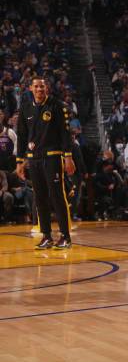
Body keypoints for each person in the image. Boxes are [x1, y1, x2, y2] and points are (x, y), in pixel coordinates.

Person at [16, 76, 76, 249]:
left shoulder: (57, 106)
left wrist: (68, 156)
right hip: (34, 159)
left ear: (46, 88)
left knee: (57, 195)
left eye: (42, 86)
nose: (39, 89)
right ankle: (47, 236)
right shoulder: (25, 108)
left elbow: (66, 134)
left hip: (53, 156)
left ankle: (65, 236)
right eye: (36, 87)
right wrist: (20, 161)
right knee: (40, 197)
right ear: (30, 89)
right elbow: (21, 136)